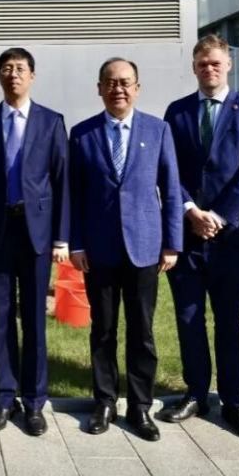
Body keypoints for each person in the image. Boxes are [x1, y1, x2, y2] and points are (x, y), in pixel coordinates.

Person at [157, 35, 239, 439]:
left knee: (229, 319)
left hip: (232, 236)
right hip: (187, 234)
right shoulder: (177, 111)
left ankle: (233, 401)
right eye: (203, 64)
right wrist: (190, 211)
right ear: (194, 67)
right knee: (189, 318)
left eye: (216, 63)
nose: (209, 69)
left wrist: (218, 216)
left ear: (228, 65)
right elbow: (167, 168)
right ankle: (196, 393)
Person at [68, 58, 181, 442]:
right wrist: (76, 243)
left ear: (137, 88)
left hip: (145, 248)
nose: (118, 89)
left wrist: (172, 243)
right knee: (103, 330)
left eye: (125, 82)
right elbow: (74, 195)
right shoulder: (82, 134)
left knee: (142, 332)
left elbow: (171, 188)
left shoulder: (158, 130)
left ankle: (139, 406)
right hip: (98, 250)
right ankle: (104, 402)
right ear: (99, 88)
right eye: (111, 82)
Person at [0, 48, 69, 436]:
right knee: (1, 317)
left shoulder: (51, 121)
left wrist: (61, 237)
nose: (13, 75)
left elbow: (62, 180)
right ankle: (5, 398)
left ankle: (35, 402)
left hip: (36, 233)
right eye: (6, 69)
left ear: (32, 76)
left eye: (20, 69)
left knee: (35, 320)